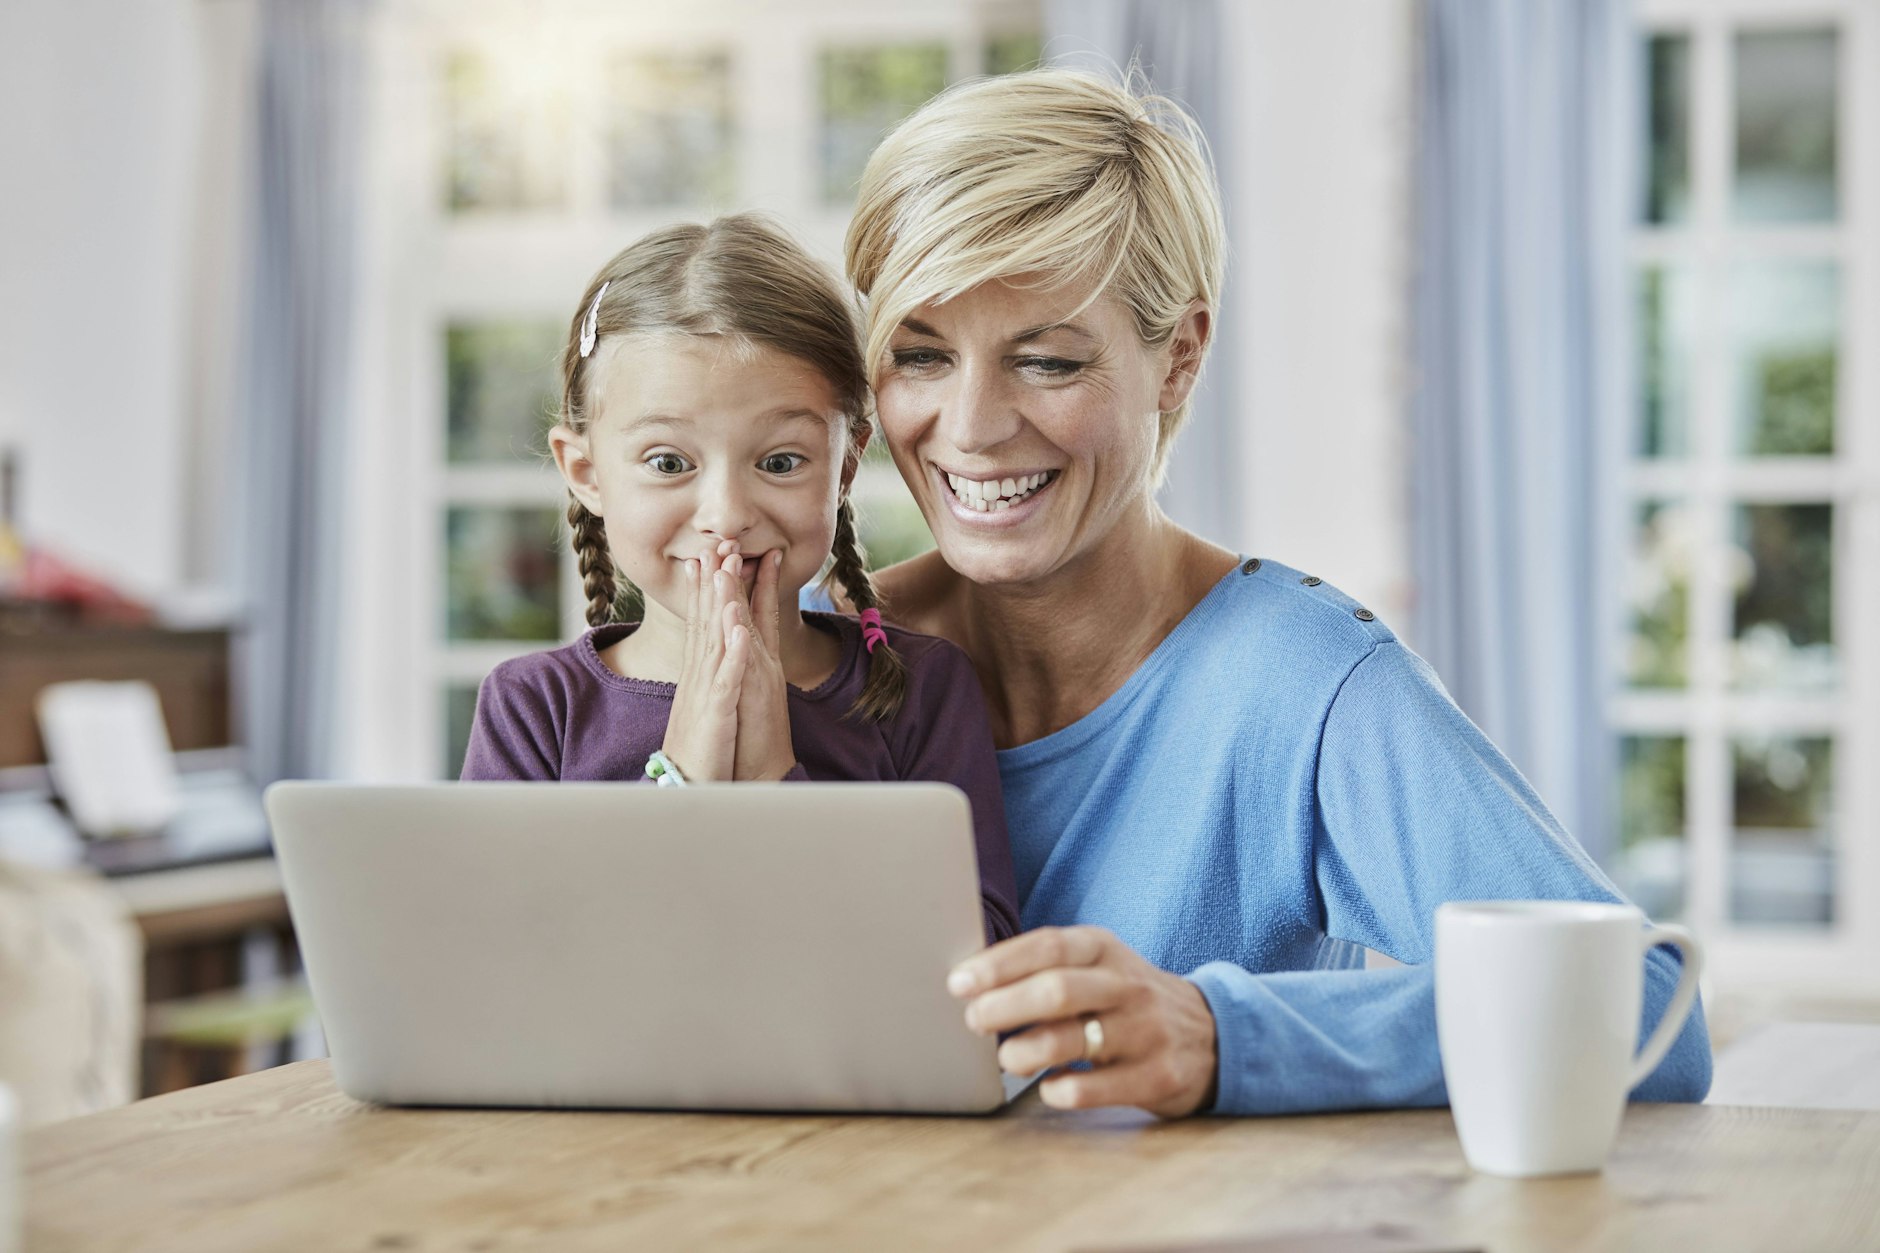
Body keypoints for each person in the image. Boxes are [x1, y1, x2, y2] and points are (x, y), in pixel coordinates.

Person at [842, 69, 1711, 1117]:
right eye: (920, 356)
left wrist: (1224, 1033)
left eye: (1048, 362)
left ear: (1178, 358)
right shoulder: (812, 654)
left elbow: (1645, 1010)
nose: (973, 425)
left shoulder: (1303, 683)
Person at [460, 214, 1020, 944]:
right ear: (587, 473)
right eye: (669, 463)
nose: (726, 514)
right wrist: (681, 779)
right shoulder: (534, 709)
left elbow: (978, 958)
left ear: (844, 468)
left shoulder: (921, 692)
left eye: (780, 462)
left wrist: (771, 782)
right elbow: (499, 961)